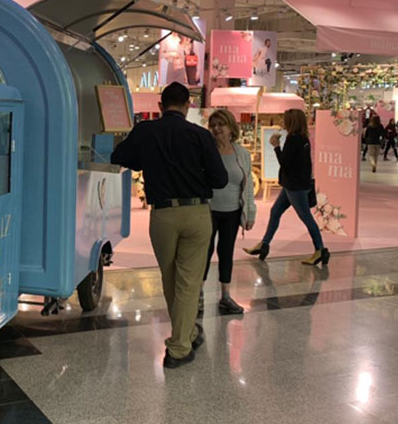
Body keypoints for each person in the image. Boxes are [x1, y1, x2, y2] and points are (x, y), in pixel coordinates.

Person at [111, 82, 228, 369]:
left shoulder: (145, 131)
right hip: (196, 213)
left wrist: (147, 159)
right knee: (188, 282)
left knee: (170, 278)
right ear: (188, 106)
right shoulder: (200, 135)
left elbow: (118, 157)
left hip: (162, 215)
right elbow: (220, 179)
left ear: (160, 106)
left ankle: (186, 334)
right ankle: (179, 348)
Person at [244, 108, 329, 266]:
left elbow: (285, 162)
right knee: (275, 212)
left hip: (294, 186)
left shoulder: (293, 139)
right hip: (297, 184)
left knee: (306, 217)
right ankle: (264, 244)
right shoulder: (303, 138)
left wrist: (276, 146)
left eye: (285, 119)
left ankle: (320, 250)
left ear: (291, 122)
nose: (282, 122)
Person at [200, 110, 257, 315]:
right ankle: (198, 295)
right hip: (207, 211)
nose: (216, 129)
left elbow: (247, 184)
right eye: (213, 125)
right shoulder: (206, 151)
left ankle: (225, 295)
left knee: (226, 252)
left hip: (232, 211)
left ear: (231, 128)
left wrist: (250, 212)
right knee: (204, 253)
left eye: (220, 125)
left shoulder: (241, 154)